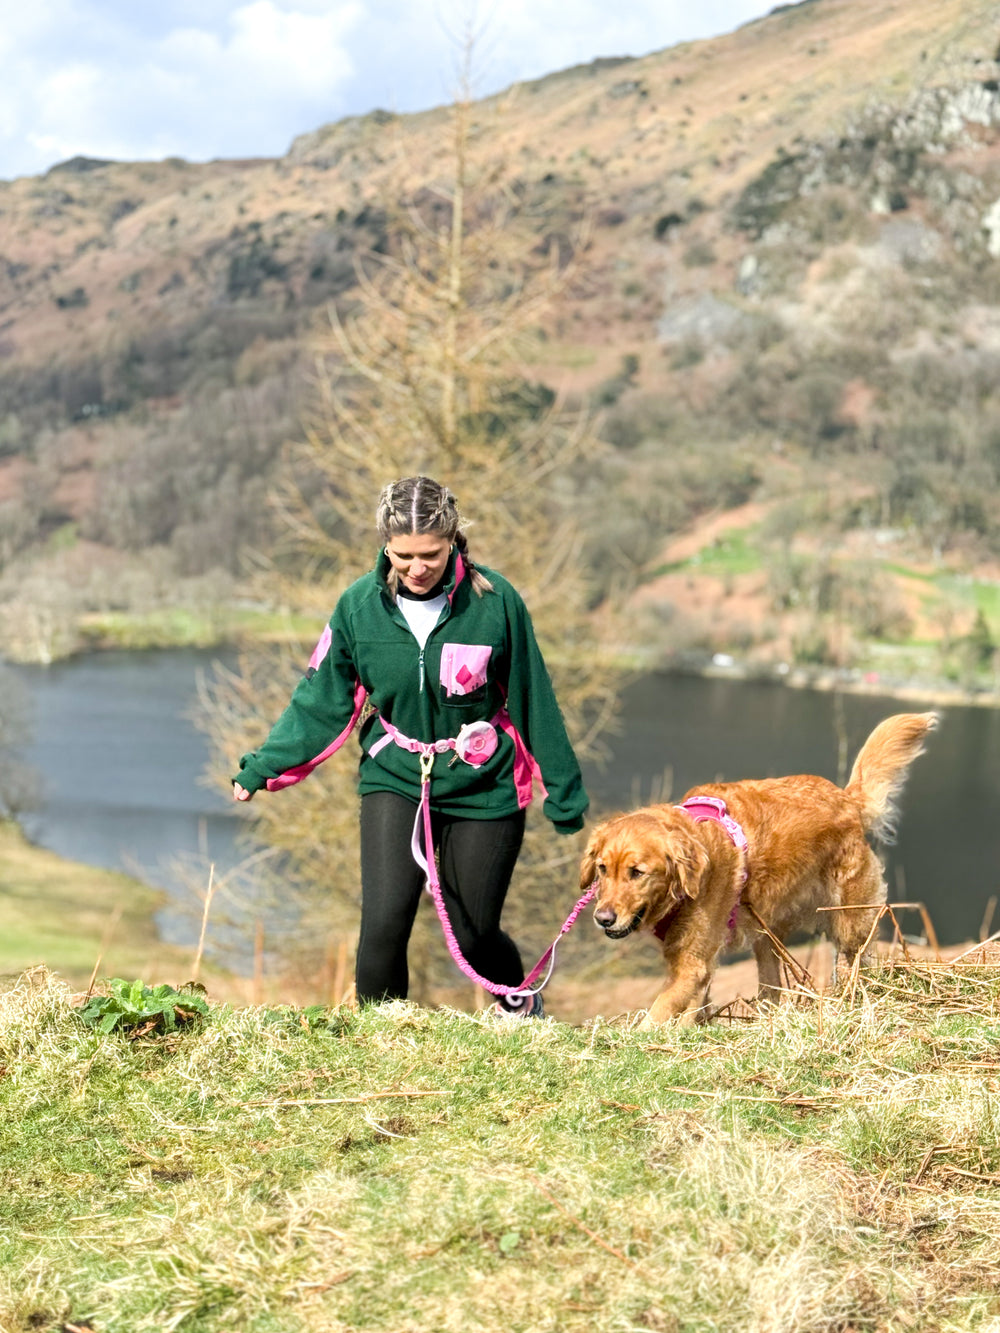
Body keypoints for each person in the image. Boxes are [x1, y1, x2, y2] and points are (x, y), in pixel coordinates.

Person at [233, 475, 589, 1017]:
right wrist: (263, 766)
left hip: (483, 780)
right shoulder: (358, 607)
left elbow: (532, 696)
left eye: (431, 555)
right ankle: (380, 1038)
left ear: (453, 542)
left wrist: (563, 791)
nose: (417, 568)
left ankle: (520, 1013)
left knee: (474, 931)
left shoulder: (495, 603)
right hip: (396, 773)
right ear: (385, 545)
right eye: (403, 556)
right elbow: (320, 699)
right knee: (383, 923)